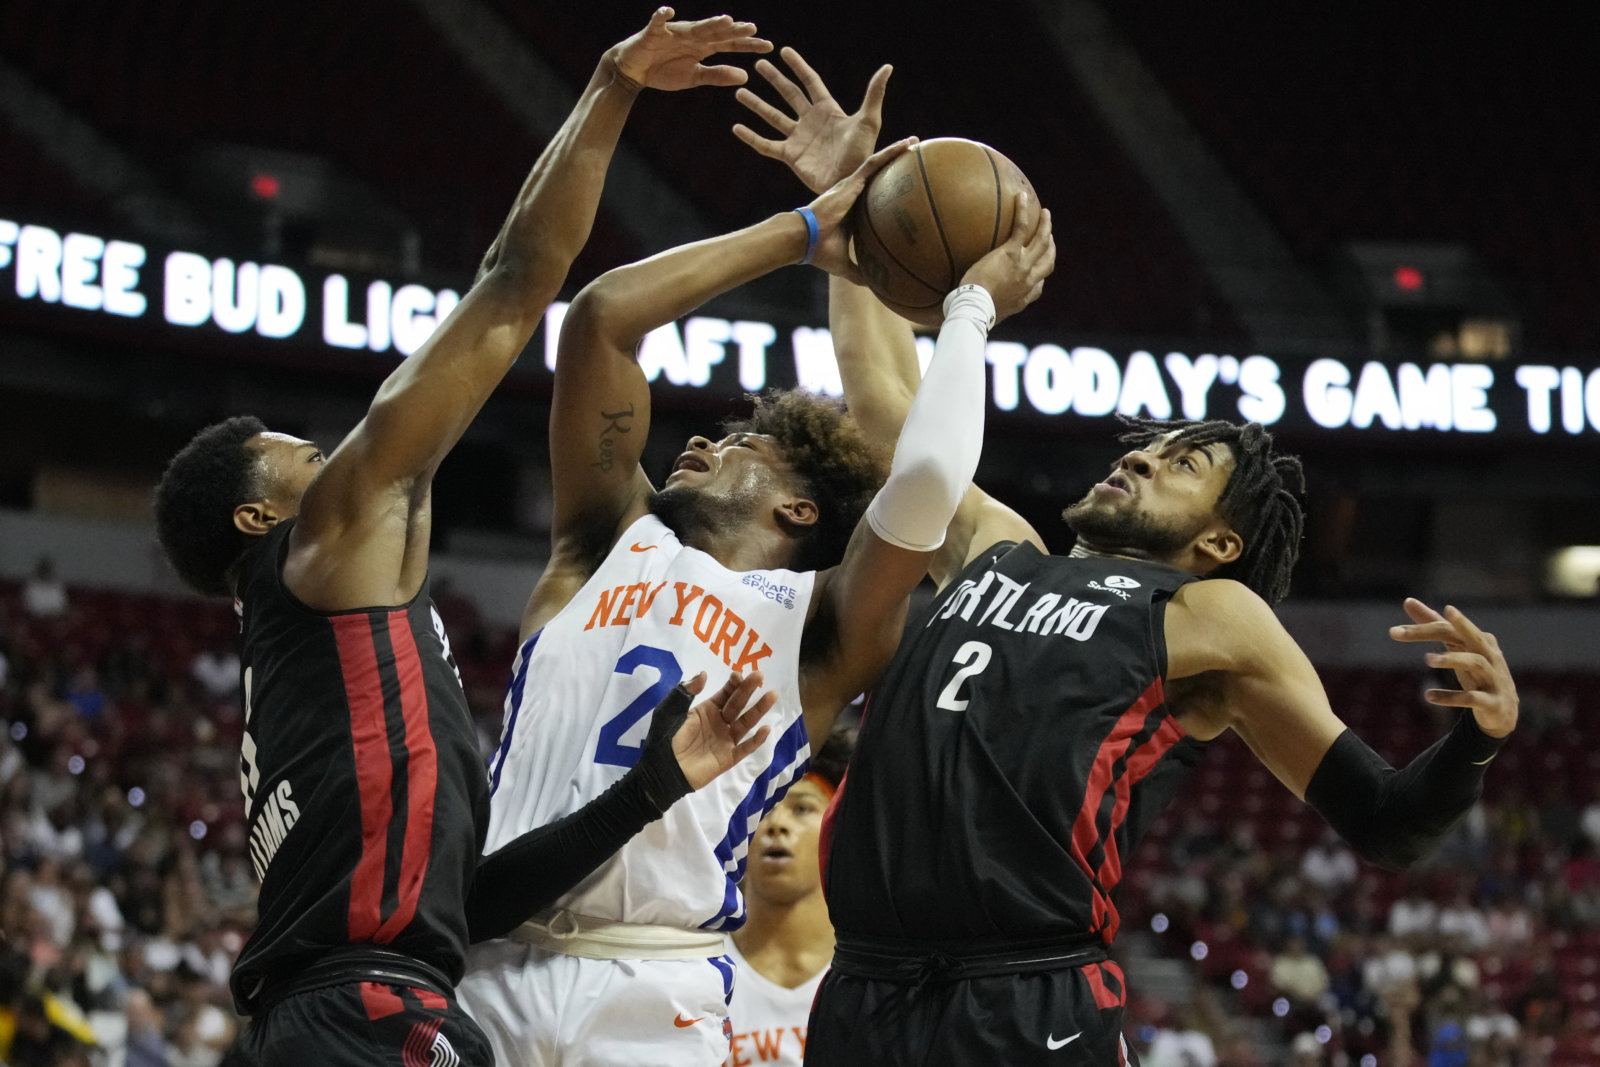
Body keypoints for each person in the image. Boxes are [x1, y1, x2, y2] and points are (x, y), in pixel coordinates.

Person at [732, 48, 1520, 1066]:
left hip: (1028, 995)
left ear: (1220, 541)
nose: (1141, 457)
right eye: (1143, 447)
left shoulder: (1209, 616)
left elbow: (1386, 820)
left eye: (1180, 462)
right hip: (870, 986)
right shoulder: (996, 549)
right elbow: (891, 414)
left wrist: (1474, 744)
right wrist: (856, 217)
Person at [151, 11, 782, 1066]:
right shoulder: (323, 548)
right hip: (362, 1017)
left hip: (375, 1007)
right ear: (261, 519)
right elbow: (515, 280)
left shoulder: (321, 666)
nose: (336, 457)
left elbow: (473, 900)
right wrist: (612, 86)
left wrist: (650, 786)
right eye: (303, 454)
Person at [456, 86, 1055, 1067]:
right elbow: (601, 318)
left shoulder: (822, 624)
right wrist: (809, 229)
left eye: (741, 444)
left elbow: (931, 476)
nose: (697, 439)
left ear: (800, 510)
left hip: (663, 986)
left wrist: (969, 310)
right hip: (486, 957)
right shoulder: (604, 538)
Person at [723, 728, 851, 1067]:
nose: (776, 824)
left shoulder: (872, 974)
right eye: (760, 810)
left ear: (837, 826)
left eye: (801, 808)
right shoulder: (697, 967)